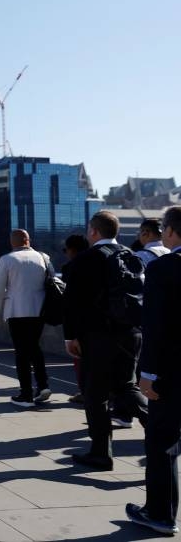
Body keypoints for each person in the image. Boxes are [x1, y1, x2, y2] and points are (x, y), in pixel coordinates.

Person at [63, 210, 148, 470]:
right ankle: (164, 428)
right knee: (126, 386)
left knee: (95, 393)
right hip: (132, 332)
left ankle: (101, 452)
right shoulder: (130, 255)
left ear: (93, 231)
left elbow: (72, 303)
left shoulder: (85, 260)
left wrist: (70, 336)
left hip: (99, 335)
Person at [127, 206, 181, 536]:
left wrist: (147, 373)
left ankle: (160, 514)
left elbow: (155, 325)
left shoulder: (164, 269)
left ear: (172, 232)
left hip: (172, 371)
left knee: (162, 441)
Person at [0, 230, 52, 407]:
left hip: (16, 311)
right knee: (35, 348)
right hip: (39, 310)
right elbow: (52, 281)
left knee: (21, 353)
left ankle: (26, 394)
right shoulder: (44, 257)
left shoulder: (7, 259)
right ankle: (43, 386)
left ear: (12, 242)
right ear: (28, 240)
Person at [62, 234, 90, 404]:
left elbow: (70, 303)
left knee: (82, 362)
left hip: (82, 325)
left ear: (72, 250)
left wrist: (70, 335)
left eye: (66, 250)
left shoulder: (71, 267)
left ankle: (85, 392)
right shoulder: (100, 261)